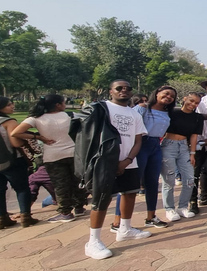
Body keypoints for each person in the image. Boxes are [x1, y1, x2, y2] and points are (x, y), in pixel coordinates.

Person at [74, 80, 150, 260]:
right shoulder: (100, 109)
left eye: (128, 89)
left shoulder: (135, 114)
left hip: (128, 161)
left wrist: (127, 160)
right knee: (102, 199)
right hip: (104, 162)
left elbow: (138, 140)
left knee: (130, 194)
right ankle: (93, 241)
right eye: (119, 88)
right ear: (110, 91)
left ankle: (125, 228)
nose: (124, 91)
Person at [12, 95, 86, 223]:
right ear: (58, 105)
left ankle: (65, 212)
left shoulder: (35, 118)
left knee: (60, 184)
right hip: (73, 152)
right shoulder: (70, 115)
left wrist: (38, 137)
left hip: (52, 155)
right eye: (64, 102)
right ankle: (79, 207)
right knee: (77, 181)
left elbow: (16, 133)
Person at [115, 86, 175, 225]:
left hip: (155, 146)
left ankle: (151, 217)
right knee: (130, 184)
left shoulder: (167, 112)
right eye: (166, 93)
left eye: (172, 96)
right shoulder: (142, 108)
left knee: (153, 183)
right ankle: (118, 221)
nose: (168, 97)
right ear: (157, 93)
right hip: (140, 145)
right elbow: (130, 126)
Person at [161, 92, 204, 220]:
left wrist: (192, 153)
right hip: (169, 144)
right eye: (191, 101)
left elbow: (194, 136)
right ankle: (169, 209)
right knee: (169, 179)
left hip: (184, 147)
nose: (193, 104)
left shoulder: (197, 117)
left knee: (190, 179)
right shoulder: (173, 112)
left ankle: (182, 207)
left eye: (196, 103)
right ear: (184, 98)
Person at [0, 97, 38, 229]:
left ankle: (2, 218)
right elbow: (15, 141)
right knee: (22, 188)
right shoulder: (8, 121)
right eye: (9, 105)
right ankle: (25, 217)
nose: (12, 106)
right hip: (13, 160)